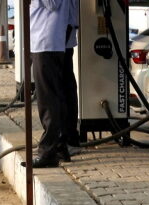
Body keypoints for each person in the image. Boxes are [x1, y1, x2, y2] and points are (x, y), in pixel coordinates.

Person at [27, 0, 71, 168]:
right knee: (55, 97)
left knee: (48, 100)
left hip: (46, 42)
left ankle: (48, 152)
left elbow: (52, 3)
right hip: (45, 42)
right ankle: (59, 145)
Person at [63, 0, 80, 156]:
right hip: (64, 32)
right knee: (66, 88)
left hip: (63, 33)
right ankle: (69, 138)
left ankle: (69, 139)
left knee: (64, 90)